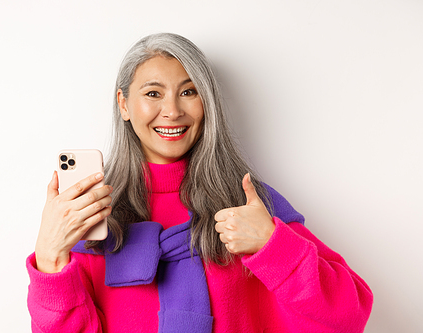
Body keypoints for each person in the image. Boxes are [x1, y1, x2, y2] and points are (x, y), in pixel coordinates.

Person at [27, 33, 373, 333]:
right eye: (152, 94)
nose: (172, 110)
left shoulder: (248, 203)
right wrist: (50, 259)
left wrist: (272, 243)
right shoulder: (91, 212)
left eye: (189, 92)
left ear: (207, 103)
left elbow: (348, 318)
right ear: (124, 104)